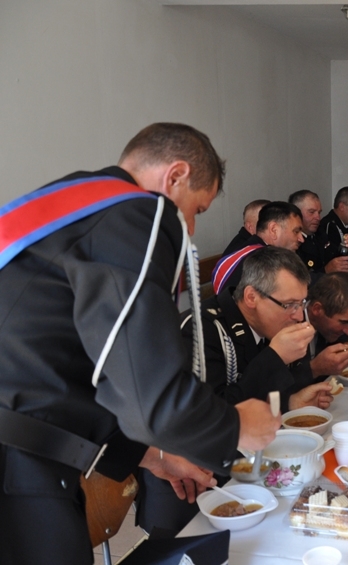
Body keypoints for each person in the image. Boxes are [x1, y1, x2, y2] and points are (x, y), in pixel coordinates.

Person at [0, 123, 281, 564]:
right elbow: (148, 386)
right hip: (19, 457)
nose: (190, 228)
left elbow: (66, 370)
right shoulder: (140, 213)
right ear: (175, 176)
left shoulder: (74, 209)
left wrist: (150, 455)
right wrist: (237, 426)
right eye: (197, 210)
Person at [137, 247, 331, 533]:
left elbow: (260, 397)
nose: (298, 316)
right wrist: (275, 357)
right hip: (189, 486)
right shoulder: (199, 331)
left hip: (245, 472)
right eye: (289, 304)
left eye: (302, 303)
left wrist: (290, 401)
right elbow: (216, 413)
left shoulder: (268, 327)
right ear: (251, 297)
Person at [212, 201, 305, 294]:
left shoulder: (246, 251)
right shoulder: (266, 260)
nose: (301, 239)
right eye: (296, 231)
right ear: (273, 230)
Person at [292, 272, 348, 379]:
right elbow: (274, 384)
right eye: (344, 322)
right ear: (317, 309)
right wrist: (314, 369)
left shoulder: (329, 327)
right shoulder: (288, 326)